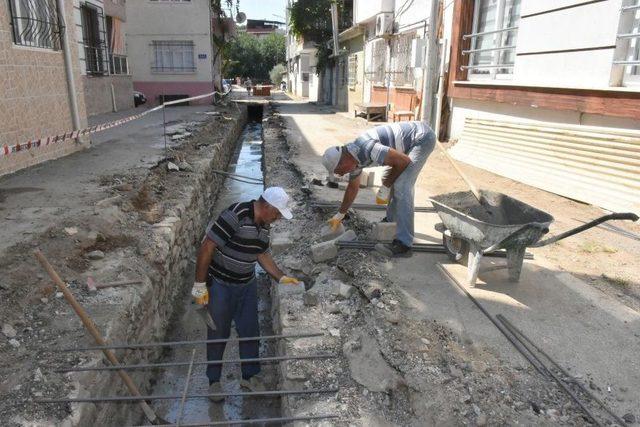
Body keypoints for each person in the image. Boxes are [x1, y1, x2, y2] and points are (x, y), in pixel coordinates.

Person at [191, 187, 300, 401]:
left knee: (250, 331)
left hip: (246, 285)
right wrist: (199, 285)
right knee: (218, 332)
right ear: (267, 205)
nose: (278, 218)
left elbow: (261, 253)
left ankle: (250, 376)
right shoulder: (236, 215)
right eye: (277, 213)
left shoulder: (264, 226)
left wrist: (281, 277)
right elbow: (207, 247)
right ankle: (214, 382)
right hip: (220, 285)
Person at [321, 121, 436, 257]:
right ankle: (391, 221)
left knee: (401, 185)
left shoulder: (367, 148)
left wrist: (385, 186)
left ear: (342, 161)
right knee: (396, 180)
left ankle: (404, 244)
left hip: (421, 138)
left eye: (338, 171)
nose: (339, 174)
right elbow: (352, 188)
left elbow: (403, 161)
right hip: (409, 141)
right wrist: (339, 215)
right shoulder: (354, 160)